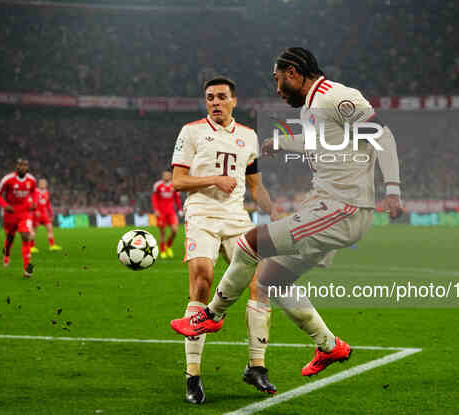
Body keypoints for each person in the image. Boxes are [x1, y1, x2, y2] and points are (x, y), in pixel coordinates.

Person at [171, 48, 403, 377]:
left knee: (251, 242)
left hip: (344, 207)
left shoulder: (336, 97)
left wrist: (392, 188)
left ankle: (212, 314)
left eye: (278, 81)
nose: (277, 89)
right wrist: (282, 142)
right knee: (271, 280)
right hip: (326, 205)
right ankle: (329, 346)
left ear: (293, 73)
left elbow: (383, 135)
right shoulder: (312, 108)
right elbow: (322, 142)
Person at [171, 76, 280, 403]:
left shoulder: (248, 136)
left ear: (234, 100)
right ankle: (193, 375)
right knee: (203, 281)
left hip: (236, 217)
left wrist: (276, 214)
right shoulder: (191, 131)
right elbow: (178, 180)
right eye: (209, 98)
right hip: (201, 213)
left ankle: (256, 366)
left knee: (260, 283)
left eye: (221, 97)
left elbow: (255, 185)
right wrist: (214, 179)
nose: (215, 102)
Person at [0, 158, 38, 278]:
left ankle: (27, 269)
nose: (23, 167)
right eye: (20, 165)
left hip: (25, 213)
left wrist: (34, 202)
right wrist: (4, 205)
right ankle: (7, 254)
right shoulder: (8, 179)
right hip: (11, 213)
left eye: (25, 165)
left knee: (25, 236)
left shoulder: (31, 180)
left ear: (27, 167)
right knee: (10, 239)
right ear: (17, 166)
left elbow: (34, 192)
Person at [151, 170, 183, 259]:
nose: (166, 176)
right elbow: (154, 198)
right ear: (162, 175)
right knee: (163, 232)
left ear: (171, 175)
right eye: (164, 174)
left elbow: (177, 198)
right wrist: (156, 210)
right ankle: (162, 250)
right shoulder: (158, 185)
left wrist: (180, 209)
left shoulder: (174, 185)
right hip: (161, 213)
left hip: (171, 212)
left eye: (168, 174)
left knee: (174, 231)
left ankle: (168, 246)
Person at [30, 178, 62, 253]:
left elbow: (47, 204)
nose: (43, 184)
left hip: (44, 214)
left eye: (44, 183)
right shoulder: (35, 192)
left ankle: (52, 245)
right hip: (37, 214)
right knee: (34, 230)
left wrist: (50, 213)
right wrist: (35, 211)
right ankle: (32, 247)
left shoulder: (46, 192)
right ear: (39, 184)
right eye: (42, 183)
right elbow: (32, 202)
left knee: (50, 228)